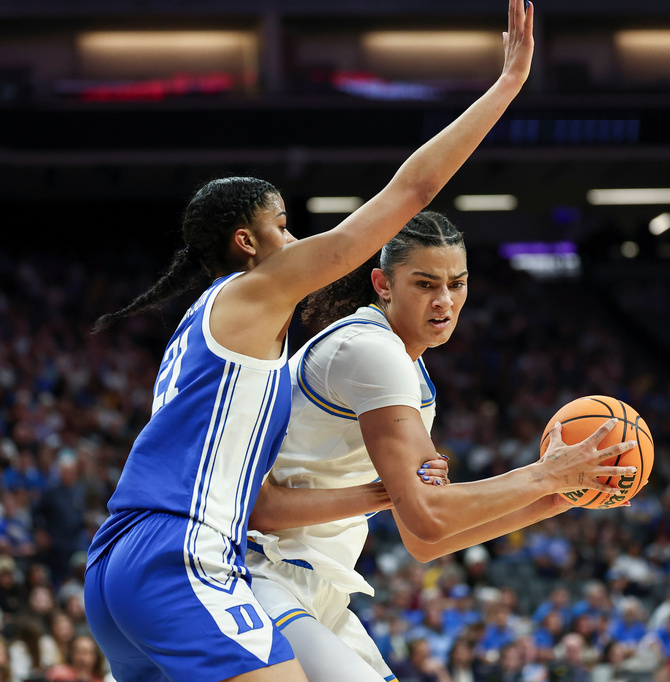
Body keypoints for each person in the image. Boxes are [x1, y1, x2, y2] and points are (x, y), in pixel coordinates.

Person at [83, 1, 539, 680]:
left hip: (116, 561)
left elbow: (257, 498)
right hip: (180, 550)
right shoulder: (255, 291)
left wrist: (372, 493)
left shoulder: (207, 326)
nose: (296, 241)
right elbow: (411, 189)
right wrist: (506, 85)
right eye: (284, 225)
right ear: (247, 242)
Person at [244, 208, 639, 682]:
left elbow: (424, 542)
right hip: (263, 569)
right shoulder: (371, 351)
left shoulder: (411, 374)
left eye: (457, 284)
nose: (445, 301)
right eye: (425, 284)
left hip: (316, 587)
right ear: (383, 284)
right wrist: (542, 474)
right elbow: (427, 517)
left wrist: (551, 499)